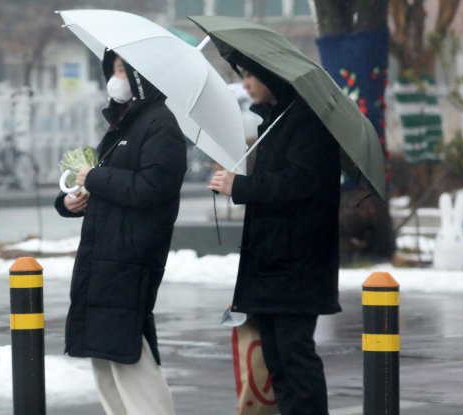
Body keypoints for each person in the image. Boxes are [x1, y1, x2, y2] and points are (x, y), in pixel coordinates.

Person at [208, 52, 342, 415]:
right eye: (243, 75)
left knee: (295, 357)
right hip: (270, 263)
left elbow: (298, 183)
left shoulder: (309, 122)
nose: (245, 83)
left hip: (297, 263)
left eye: (251, 75)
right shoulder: (276, 121)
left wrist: (242, 186)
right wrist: (237, 181)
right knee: (276, 361)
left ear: (272, 77)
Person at [54, 50, 187, 415]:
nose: (115, 79)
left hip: (131, 258)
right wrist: (69, 202)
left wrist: (96, 178)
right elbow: (102, 181)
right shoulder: (122, 125)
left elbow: (152, 188)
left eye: (122, 70)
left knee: (129, 351)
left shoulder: (162, 125)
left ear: (141, 76)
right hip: (102, 256)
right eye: (111, 71)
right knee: (105, 354)